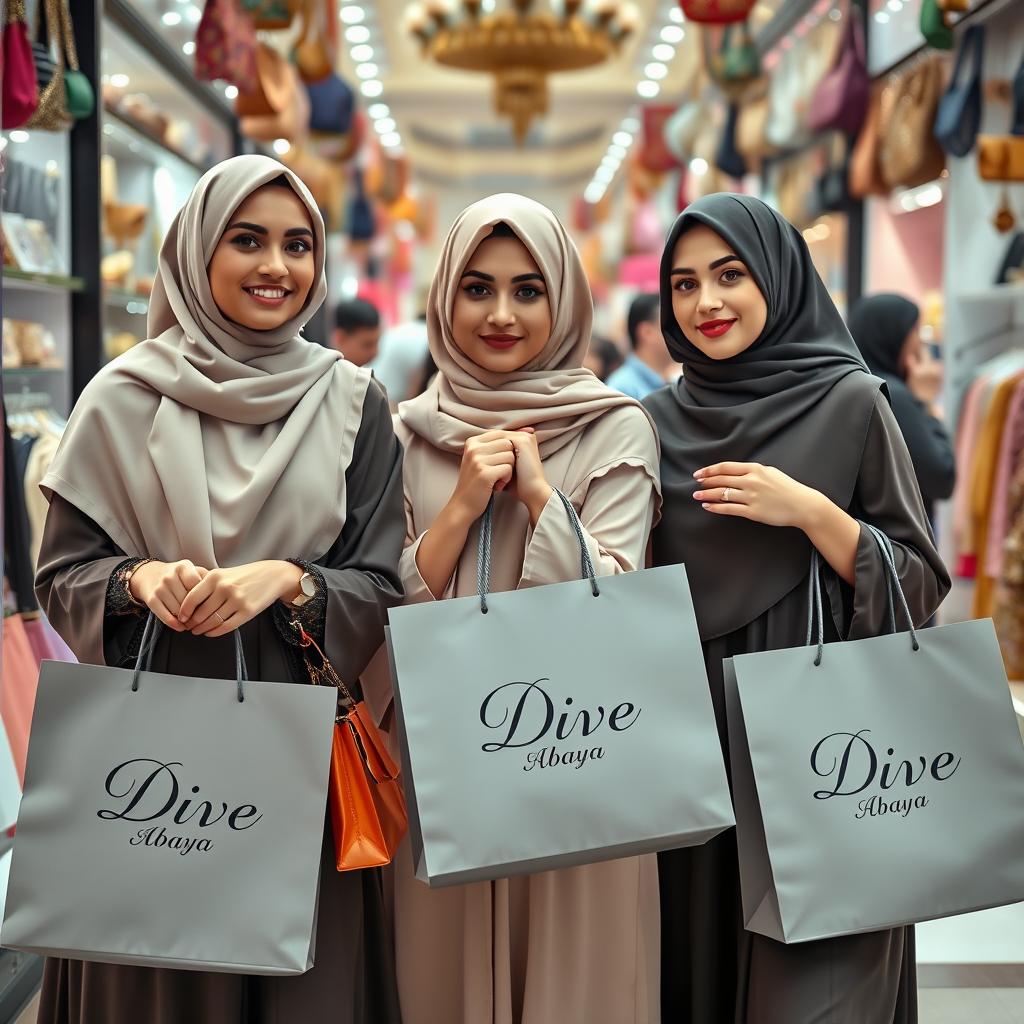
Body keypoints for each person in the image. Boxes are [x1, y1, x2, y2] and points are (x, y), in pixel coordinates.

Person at [33, 155, 405, 1024]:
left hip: (291, 754)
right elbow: (62, 578)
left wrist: (290, 581)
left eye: (298, 245)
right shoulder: (120, 400)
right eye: (247, 240)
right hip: (148, 759)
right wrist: (139, 579)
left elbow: (384, 587)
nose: (277, 266)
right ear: (197, 255)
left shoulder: (353, 402)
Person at [643, 193, 949, 1024]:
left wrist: (813, 514)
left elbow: (921, 581)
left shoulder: (853, 404)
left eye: (731, 275)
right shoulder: (649, 423)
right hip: (689, 749)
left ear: (779, 277)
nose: (706, 303)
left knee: (813, 982)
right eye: (684, 284)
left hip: (821, 739)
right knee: (690, 968)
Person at [374, 194, 663, 1024]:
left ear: (565, 300)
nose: (501, 315)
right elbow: (380, 606)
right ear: (444, 300)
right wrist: (461, 507)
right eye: (478, 289)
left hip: (579, 750)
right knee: (436, 978)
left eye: (528, 291)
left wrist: (540, 498)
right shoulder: (397, 434)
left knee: (579, 980)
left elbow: (616, 602)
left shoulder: (615, 428)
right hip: (440, 755)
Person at [848, 294, 956, 525]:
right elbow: (941, 477)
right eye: (915, 331)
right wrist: (926, 403)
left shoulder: (853, 384)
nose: (920, 343)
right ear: (892, 336)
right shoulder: (892, 394)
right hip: (897, 543)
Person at [606, 292, 674, 400]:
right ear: (647, 332)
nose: (681, 333)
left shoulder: (670, 382)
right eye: (672, 325)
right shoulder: (621, 389)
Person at [371, 312, 431, 406]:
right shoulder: (430, 338)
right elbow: (419, 377)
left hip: (377, 390)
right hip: (394, 399)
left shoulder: (401, 330)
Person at [333, 296, 382, 366]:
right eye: (367, 345)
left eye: (377, 342)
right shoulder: (322, 374)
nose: (375, 353)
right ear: (341, 338)